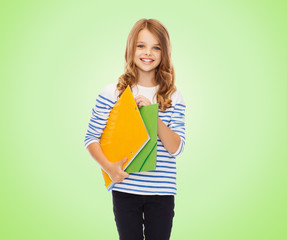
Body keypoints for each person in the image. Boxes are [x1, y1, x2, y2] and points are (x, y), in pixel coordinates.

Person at [84, 18, 186, 240]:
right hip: (125, 189)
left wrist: (153, 115)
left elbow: (176, 148)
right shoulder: (113, 93)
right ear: (131, 49)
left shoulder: (172, 96)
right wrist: (110, 168)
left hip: (161, 192)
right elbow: (91, 138)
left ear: (164, 53)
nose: (147, 52)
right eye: (141, 45)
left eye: (156, 47)